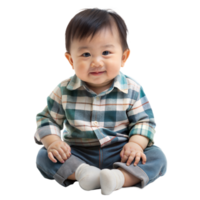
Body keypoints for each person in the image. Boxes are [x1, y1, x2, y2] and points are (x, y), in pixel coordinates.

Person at [33, 6, 169, 196]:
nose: (96, 62)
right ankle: (84, 174)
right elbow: (46, 119)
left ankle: (119, 178)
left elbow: (144, 121)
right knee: (43, 156)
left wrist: (136, 144)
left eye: (106, 53)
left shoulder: (132, 88)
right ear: (70, 60)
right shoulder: (63, 90)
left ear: (124, 57)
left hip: (121, 152)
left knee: (158, 156)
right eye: (86, 54)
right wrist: (53, 141)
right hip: (78, 153)